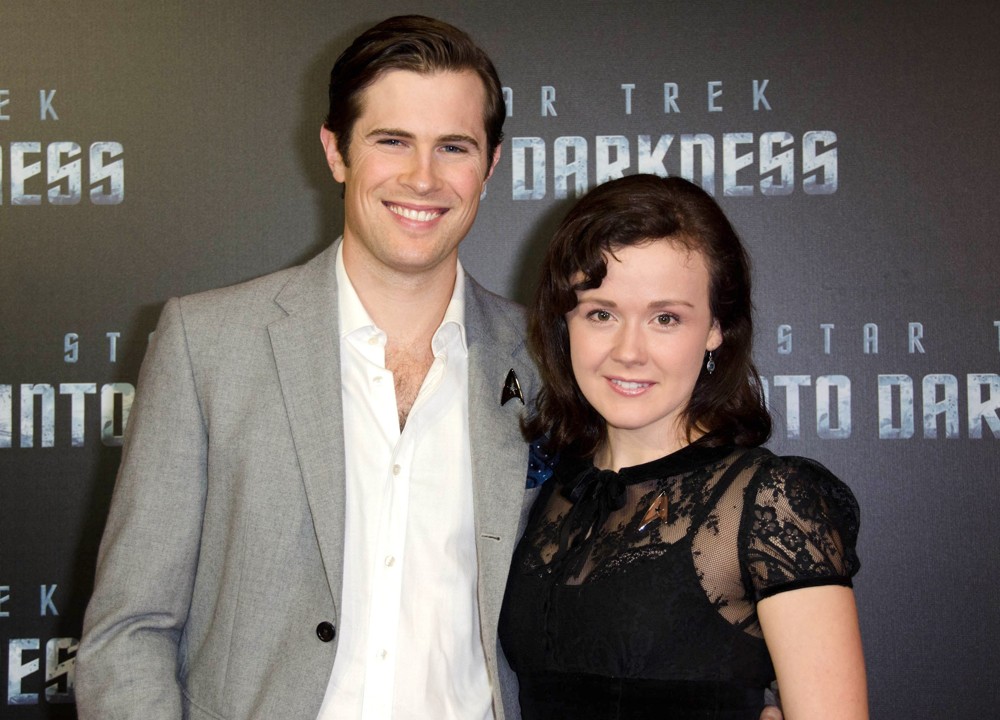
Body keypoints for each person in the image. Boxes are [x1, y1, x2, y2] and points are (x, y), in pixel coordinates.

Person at [76, 16, 537, 720]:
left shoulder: (548, 361)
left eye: (454, 147)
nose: (423, 177)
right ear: (335, 150)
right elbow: (129, 633)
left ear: (491, 164)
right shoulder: (208, 344)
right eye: (392, 141)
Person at [499, 174, 868, 719]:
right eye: (601, 313)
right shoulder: (549, 495)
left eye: (665, 318)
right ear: (565, 322)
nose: (629, 351)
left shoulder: (767, 500)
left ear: (717, 327)